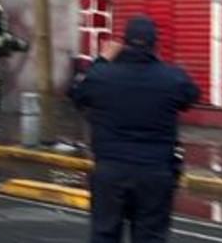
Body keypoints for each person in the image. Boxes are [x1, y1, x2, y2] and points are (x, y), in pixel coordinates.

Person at [70, 16, 199, 243]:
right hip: (155, 172)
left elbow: (76, 92)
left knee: (105, 234)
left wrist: (102, 59)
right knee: (151, 236)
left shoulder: (101, 76)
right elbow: (191, 96)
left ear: (124, 43)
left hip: (111, 171)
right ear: (154, 43)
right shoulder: (172, 78)